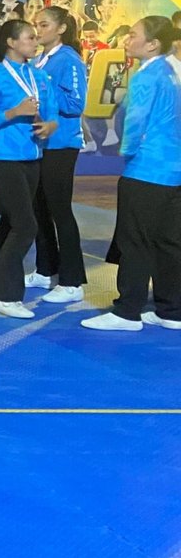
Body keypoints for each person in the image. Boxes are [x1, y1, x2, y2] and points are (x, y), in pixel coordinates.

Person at [81, 17, 181, 331]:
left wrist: (127, 151)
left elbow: (135, 121)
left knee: (135, 241)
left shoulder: (145, 76)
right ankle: (171, 311)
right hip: (173, 171)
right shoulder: (172, 72)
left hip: (146, 170)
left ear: (152, 44)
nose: (127, 39)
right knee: (169, 242)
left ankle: (127, 312)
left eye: (134, 35)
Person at [0, 19, 58, 319]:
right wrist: (14, 112)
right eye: (30, 37)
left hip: (32, 156)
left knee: (10, 223)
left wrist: (50, 125)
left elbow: (52, 113)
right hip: (3, 159)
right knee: (25, 226)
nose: (36, 42)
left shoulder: (39, 75)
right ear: (11, 42)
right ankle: (3, 296)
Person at [27, 6, 89, 303]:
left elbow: (75, 104)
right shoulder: (39, 59)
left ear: (61, 28)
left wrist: (43, 87)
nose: (38, 30)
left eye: (44, 24)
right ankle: (46, 269)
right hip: (39, 145)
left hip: (62, 144)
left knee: (59, 210)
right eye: (36, 25)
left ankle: (72, 282)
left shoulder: (69, 59)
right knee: (39, 209)